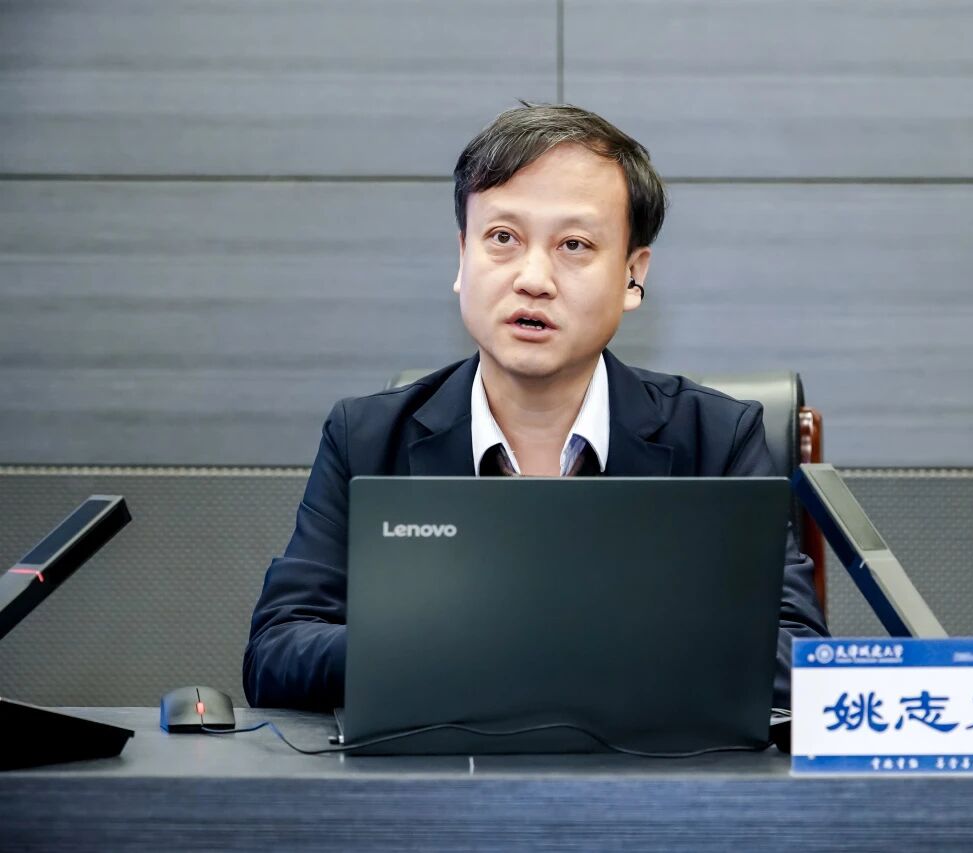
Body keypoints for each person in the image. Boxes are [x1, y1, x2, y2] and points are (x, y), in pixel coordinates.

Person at [243, 103, 828, 710]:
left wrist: (534, 645)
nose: (533, 278)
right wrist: (471, 649)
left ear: (632, 276)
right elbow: (277, 651)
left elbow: (800, 658)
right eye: (503, 238)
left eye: (574, 244)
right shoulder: (366, 438)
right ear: (462, 257)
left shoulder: (716, 440)